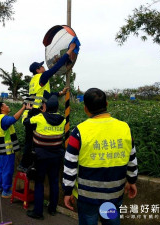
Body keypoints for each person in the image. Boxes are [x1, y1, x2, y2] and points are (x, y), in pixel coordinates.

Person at [62, 88, 138, 225]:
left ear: (85, 108)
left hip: (87, 198)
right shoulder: (125, 128)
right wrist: (132, 181)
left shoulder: (79, 132)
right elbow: (132, 159)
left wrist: (67, 191)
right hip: (114, 195)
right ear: (107, 104)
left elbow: (70, 166)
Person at [17, 42, 76, 172]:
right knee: (32, 141)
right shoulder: (42, 77)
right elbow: (56, 68)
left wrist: (59, 93)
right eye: (41, 67)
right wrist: (69, 51)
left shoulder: (34, 81)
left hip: (29, 112)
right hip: (34, 112)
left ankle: (26, 164)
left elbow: (45, 94)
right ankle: (25, 165)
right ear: (38, 70)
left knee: (31, 141)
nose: (44, 68)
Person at [23, 95, 66, 220]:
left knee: (39, 183)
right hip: (56, 156)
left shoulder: (40, 117)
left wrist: (27, 110)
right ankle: (52, 209)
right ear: (57, 107)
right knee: (54, 182)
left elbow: (26, 122)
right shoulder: (63, 120)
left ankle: (38, 212)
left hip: (40, 157)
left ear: (45, 106)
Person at [0, 101, 26, 198]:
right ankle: (6, 191)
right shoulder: (4, 119)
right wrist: (23, 108)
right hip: (7, 150)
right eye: (6, 105)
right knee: (7, 170)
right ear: (2, 109)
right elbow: (13, 119)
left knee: (1, 169)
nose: (8, 106)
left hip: (1, 150)